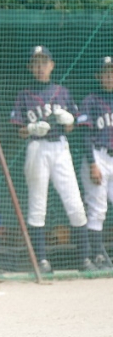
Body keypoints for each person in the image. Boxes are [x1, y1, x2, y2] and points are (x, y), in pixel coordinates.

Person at [10, 45, 94, 274]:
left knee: (74, 202)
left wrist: (68, 121)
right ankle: (41, 260)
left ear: (52, 65)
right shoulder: (24, 94)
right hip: (37, 148)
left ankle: (85, 258)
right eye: (36, 63)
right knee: (38, 204)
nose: (40, 67)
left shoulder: (62, 92)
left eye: (44, 62)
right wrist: (31, 129)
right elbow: (17, 130)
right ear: (30, 67)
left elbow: (72, 126)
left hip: (60, 147)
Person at [76, 55, 113, 271]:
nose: (109, 77)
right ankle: (97, 255)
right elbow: (85, 136)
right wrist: (92, 164)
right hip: (98, 157)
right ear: (99, 76)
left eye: (112, 73)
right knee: (98, 208)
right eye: (106, 73)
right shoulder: (90, 100)